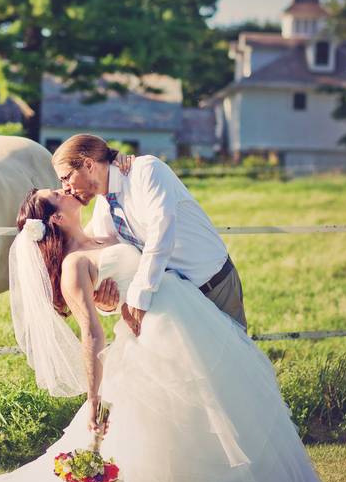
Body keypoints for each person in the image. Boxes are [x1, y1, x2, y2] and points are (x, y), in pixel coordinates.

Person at [0, 188, 332, 482]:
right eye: (58, 194)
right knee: (178, 416)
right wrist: (96, 396)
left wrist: (113, 300)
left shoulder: (107, 233)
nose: (67, 191)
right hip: (158, 336)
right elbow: (90, 334)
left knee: (215, 406)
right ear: (58, 219)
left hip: (186, 322)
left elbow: (130, 280)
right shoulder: (74, 265)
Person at [52, 135, 246, 334]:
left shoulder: (146, 170)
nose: (65, 187)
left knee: (237, 358)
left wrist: (138, 298)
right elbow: (102, 256)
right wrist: (105, 303)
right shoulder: (104, 206)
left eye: (66, 177)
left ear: (88, 164)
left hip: (213, 284)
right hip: (174, 300)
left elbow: (161, 235)